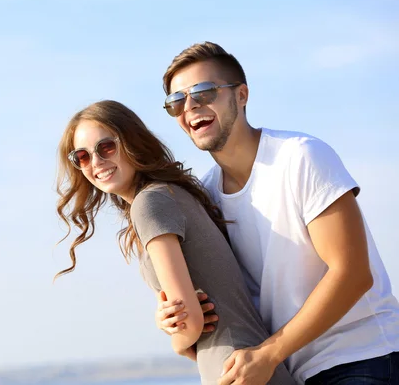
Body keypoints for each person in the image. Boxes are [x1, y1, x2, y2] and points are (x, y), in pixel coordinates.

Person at [155, 41, 399, 384]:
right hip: (290, 371)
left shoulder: (301, 157)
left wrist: (269, 353)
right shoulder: (206, 195)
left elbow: (353, 273)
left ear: (241, 95)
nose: (190, 106)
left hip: (362, 358)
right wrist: (178, 317)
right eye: (176, 101)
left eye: (205, 92)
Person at [54, 100, 296, 384]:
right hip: (242, 363)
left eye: (106, 147)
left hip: (231, 368)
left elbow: (192, 323)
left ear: (132, 141)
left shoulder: (149, 203)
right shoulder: (174, 193)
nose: (96, 162)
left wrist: (177, 342)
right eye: (82, 156)